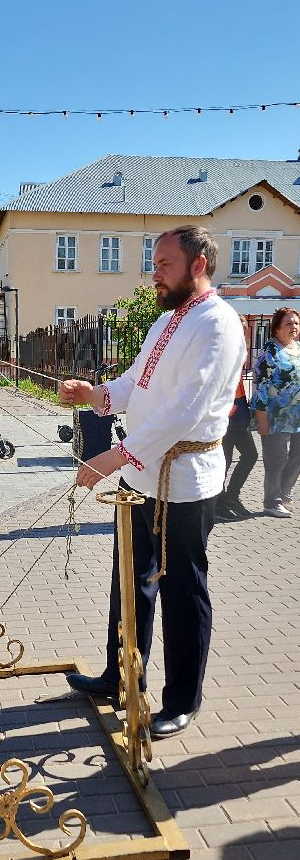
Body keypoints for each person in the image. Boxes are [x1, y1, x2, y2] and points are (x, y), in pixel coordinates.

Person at [59, 227, 245, 738]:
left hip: (184, 481)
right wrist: (93, 395)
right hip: (144, 477)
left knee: (182, 591)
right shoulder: (166, 320)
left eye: (165, 264)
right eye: (155, 263)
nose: (154, 273)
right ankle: (121, 676)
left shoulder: (219, 324)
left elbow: (184, 411)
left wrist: (113, 456)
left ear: (199, 265)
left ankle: (183, 699)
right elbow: (137, 385)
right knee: (130, 581)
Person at [249, 307, 300, 518]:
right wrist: (262, 420)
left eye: (296, 323)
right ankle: (272, 501)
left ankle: (285, 494)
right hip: (274, 417)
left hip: (297, 416)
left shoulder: (296, 348)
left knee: (297, 456)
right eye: (289, 323)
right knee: (276, 459)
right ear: (277, 327)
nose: (294, 327)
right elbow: (260, 389)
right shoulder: (269, 354)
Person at [215, 316, 258, 521]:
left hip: (240, 406)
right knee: (225, 458)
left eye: (243, 328)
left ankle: (230, 496)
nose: (241, 332)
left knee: (250, 455)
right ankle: (217, 502)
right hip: (226, 408)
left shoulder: (239, 350)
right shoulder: (221, 349)